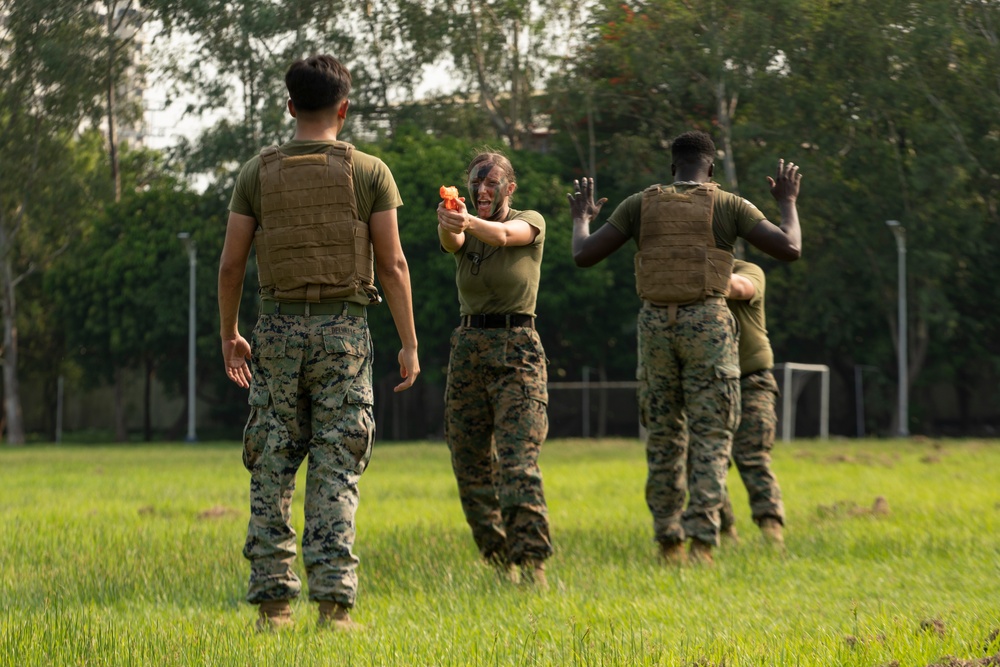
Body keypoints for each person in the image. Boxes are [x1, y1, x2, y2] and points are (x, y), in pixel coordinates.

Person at [217, 54, 420, 632]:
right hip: (343, 333)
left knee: (273, 461)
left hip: (276, 330)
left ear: (289, 107)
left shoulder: (257, 172)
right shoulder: (370, 172)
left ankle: (273, 608)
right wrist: (408, 342)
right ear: (344, 108)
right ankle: (334, 607)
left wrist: (231, 335)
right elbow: (394, 263)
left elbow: (232, 265)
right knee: (338, 461)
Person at [567, 130, 801, 566]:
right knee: (712, 437)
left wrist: (581, 216)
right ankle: (702, 544)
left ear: (673, 167)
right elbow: (790, 248)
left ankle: (668, 542)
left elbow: (582, 254)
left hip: (654, 324)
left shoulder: (639, 203)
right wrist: (787, 201)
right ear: (710, 168)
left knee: (663, 437)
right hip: (708, 323)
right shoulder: (728, 204)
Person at [437, 150, 552, 587]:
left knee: (517, 461)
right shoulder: (461, 222)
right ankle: (499, 557)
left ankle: (533, 562)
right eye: (475, 183)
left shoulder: (531, 220)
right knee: (468, 462)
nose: (482, 190)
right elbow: (454, 244)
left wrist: (466, 222)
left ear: (510, 187)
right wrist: (452, 221)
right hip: (468, 348)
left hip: (517, 348)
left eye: (491, 183)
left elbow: (506, 237)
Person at [717, 259, 785, 546]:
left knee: (753, 456)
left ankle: (772, 533)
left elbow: (739, 288)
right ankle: (724, 531)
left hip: (752, 381)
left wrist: (690, 272)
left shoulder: (747, 269)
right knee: (706, 461)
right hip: (711, 383)